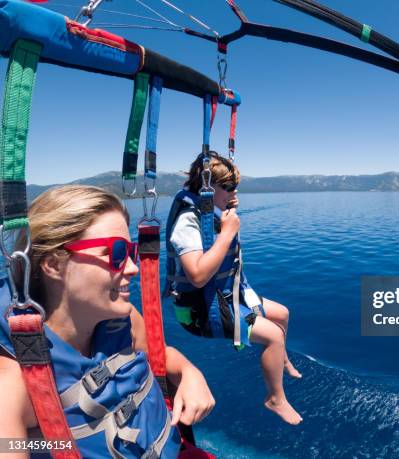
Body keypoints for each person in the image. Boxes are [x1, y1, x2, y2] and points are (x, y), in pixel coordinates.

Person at [0, 185, 215, 458]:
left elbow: (161, 356)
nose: (133, 268)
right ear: (54, 265)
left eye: (130, 252)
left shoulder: (119, 320)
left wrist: (189, 373)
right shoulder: (11, 385)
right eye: (115, 254)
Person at [167, 152, 303, 425]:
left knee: (283, 314)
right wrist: (228, 232)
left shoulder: (211, 214)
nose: (234, 192)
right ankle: (275, 398)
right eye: (227, 187)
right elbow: (196, 275)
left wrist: (226, 213)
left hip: (224, 298)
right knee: (274, 335)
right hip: (200, 312)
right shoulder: (188, 222)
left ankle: (281, 359)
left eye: (235, 186)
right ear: (206, 188)